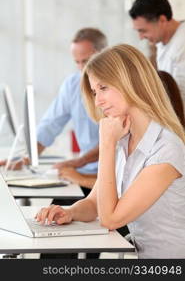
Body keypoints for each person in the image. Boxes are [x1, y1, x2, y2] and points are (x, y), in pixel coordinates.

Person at [36, 44, 185, 259]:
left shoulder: (166, 150)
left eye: (103, 88)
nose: (98, 101)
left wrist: (106, 144)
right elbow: (94, 203)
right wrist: (69, 212)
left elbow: (111, 219)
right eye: (95, 92)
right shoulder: (125, 140)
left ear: (131, 82)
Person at [0, 28, 108, 193]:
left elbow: (116, 139)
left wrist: (78, 162)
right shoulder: (72, 85)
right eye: (77, 62)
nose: (81, 69)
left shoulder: (117, 89)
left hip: (110, 173)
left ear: (104, 54)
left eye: (86, 61)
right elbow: (50, 125)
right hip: (85, 170)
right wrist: (25, 159)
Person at [129, 0, 185, 111]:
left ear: (162, 20)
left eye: (143, 30)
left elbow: (180, 95)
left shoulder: (182, 45)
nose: (140, 37)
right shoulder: (161, 43)